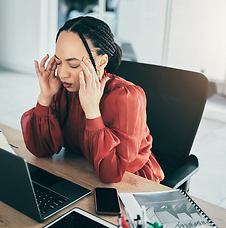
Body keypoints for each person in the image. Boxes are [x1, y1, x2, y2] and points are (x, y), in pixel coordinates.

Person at [21, 16, 164, 183]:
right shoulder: (64, 87)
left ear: (102, 61)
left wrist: (92, 112)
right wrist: (45, 97)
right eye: (59, 62)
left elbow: (111, 174)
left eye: (73, 64)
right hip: (81, 171)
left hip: (131, 182)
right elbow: (40, 150)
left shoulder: (126, 96)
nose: (62, 74)